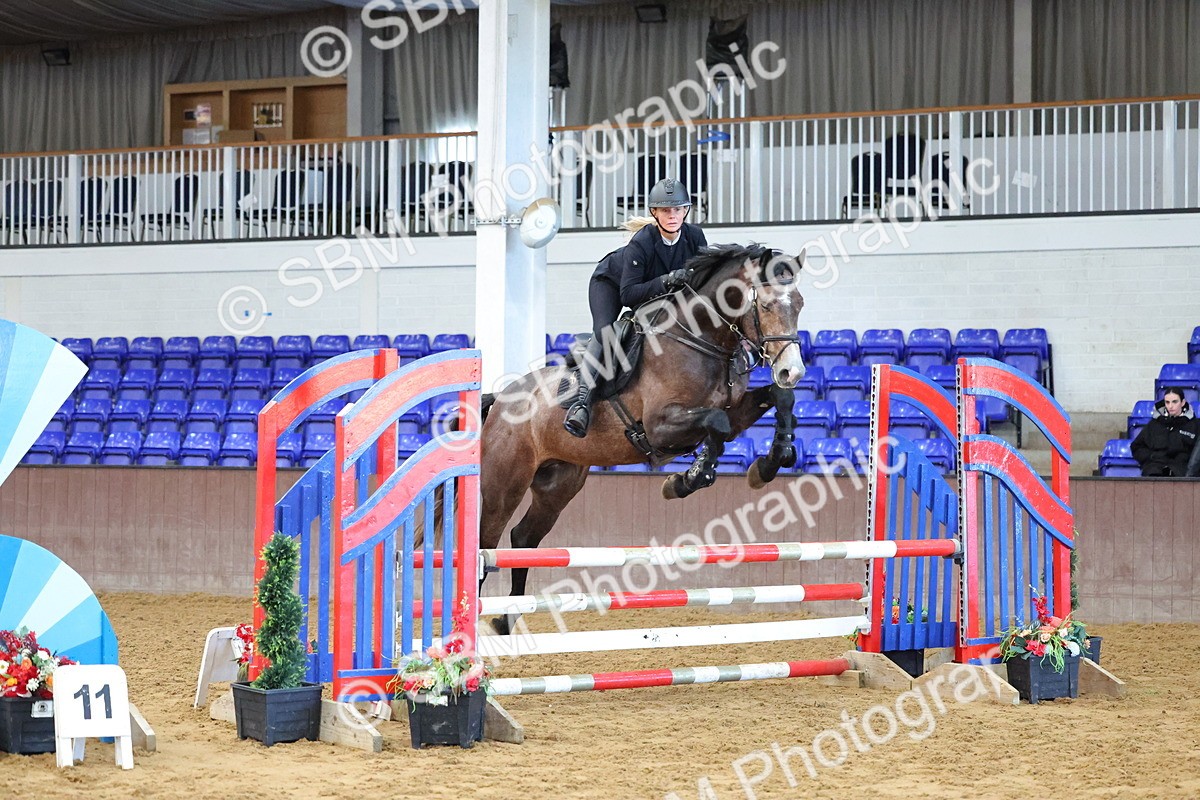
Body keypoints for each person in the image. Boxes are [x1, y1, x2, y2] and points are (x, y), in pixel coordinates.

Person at [563, 178, 708, 438]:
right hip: (611, 283)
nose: (672, 215)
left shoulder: (695, 237)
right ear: (655, 213)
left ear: (686, 210)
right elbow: (629, 295)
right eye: (665, 210)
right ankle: (581, 404)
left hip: (658, 293)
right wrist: (666, 280)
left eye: (677, 209)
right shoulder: (642, 242)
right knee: (607, 334)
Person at [1130, 387, 1200, 477]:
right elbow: (1136, 446)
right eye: (1167, 402)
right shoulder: (1154, 424)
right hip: (1153, 472)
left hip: (1181, 475)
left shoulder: (1195, 425)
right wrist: (1151, 457)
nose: (1170, 406)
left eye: (1175, 402)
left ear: (1182, 403)